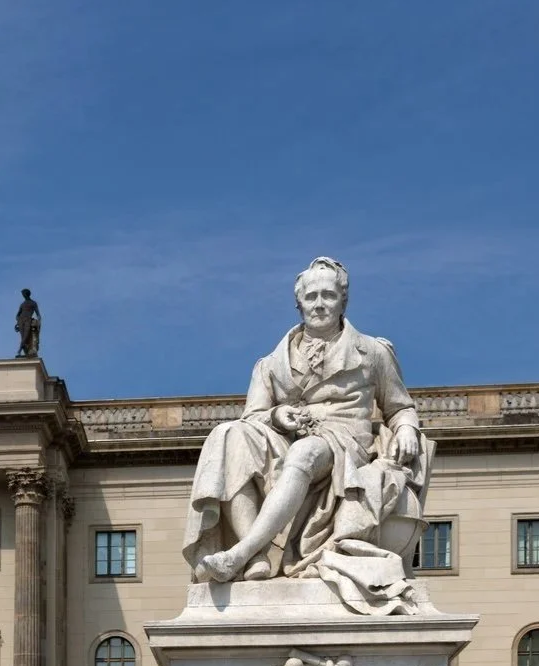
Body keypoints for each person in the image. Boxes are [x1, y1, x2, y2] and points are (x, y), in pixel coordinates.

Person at [180, 257, 432, 615]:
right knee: (227, 436)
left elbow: (399, 406)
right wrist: (277, 415)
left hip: (344, 443)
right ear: (298, 303)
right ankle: (259, 560)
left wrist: (406, 427)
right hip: (286, 437)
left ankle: (241, 552)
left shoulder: (373, 352)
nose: (319, 303)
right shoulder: (270, 363)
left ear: (343, 301)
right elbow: (253, 417)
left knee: (307, 452)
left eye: (328, 295)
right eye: (311, 296)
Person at [15, 288, 40, 359]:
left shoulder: (33, 303)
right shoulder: (22, 304)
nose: (23, 295)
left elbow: (38, 314)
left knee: (25, 336)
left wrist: (38, 323)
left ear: (26, 294)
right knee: (23, 337)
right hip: (21, 321)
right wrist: (17, 322)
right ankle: (26, 352)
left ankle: (19, 351)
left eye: (23, 294)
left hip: (28, 320)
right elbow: (17, 315)